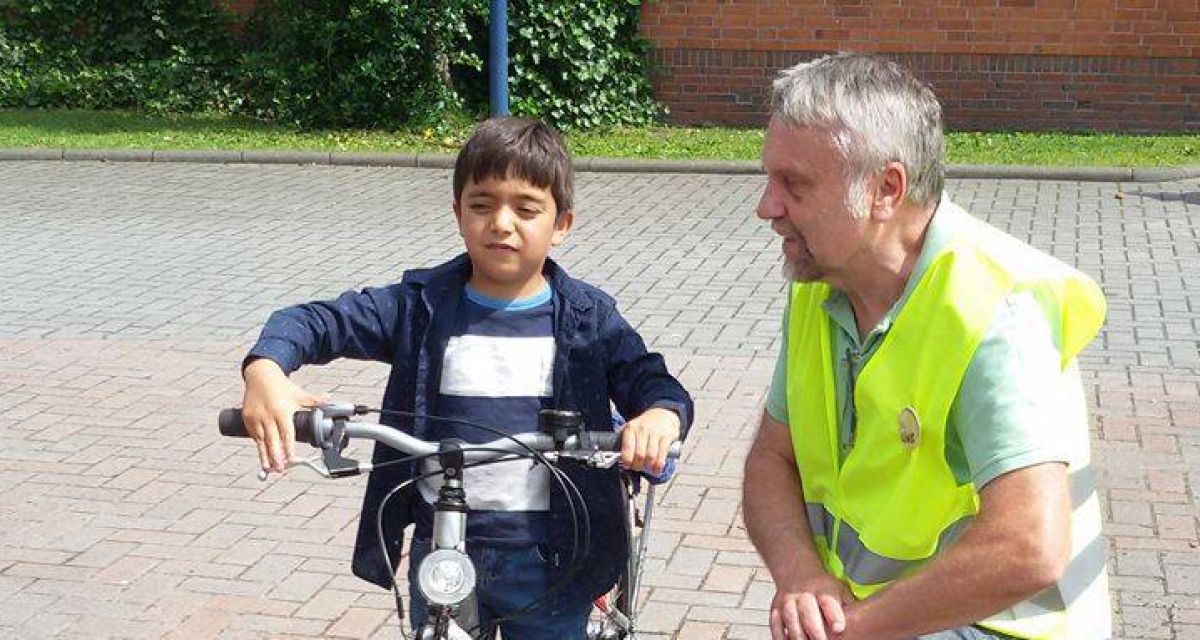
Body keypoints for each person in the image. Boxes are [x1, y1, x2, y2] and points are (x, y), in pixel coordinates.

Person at [237, 116, 693, 638]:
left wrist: (659, 416)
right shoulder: (422, 308)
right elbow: (319, 321)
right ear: (458, 214)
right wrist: (266, 367)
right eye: (482, 205)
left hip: (551, 556)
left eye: (526, 209)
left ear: (561, 224)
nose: (502, 223)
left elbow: (655, 383)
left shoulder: (588, 321)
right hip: (445, 546)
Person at [742, 52, 1112, 640]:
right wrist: (800, 576)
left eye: (795, 184)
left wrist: (855, 628)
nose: (768, 206)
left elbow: (1030, 546)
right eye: (769, 178)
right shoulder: (821, 283)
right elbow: (771, 459)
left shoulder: (993, 311)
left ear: (886, 190)